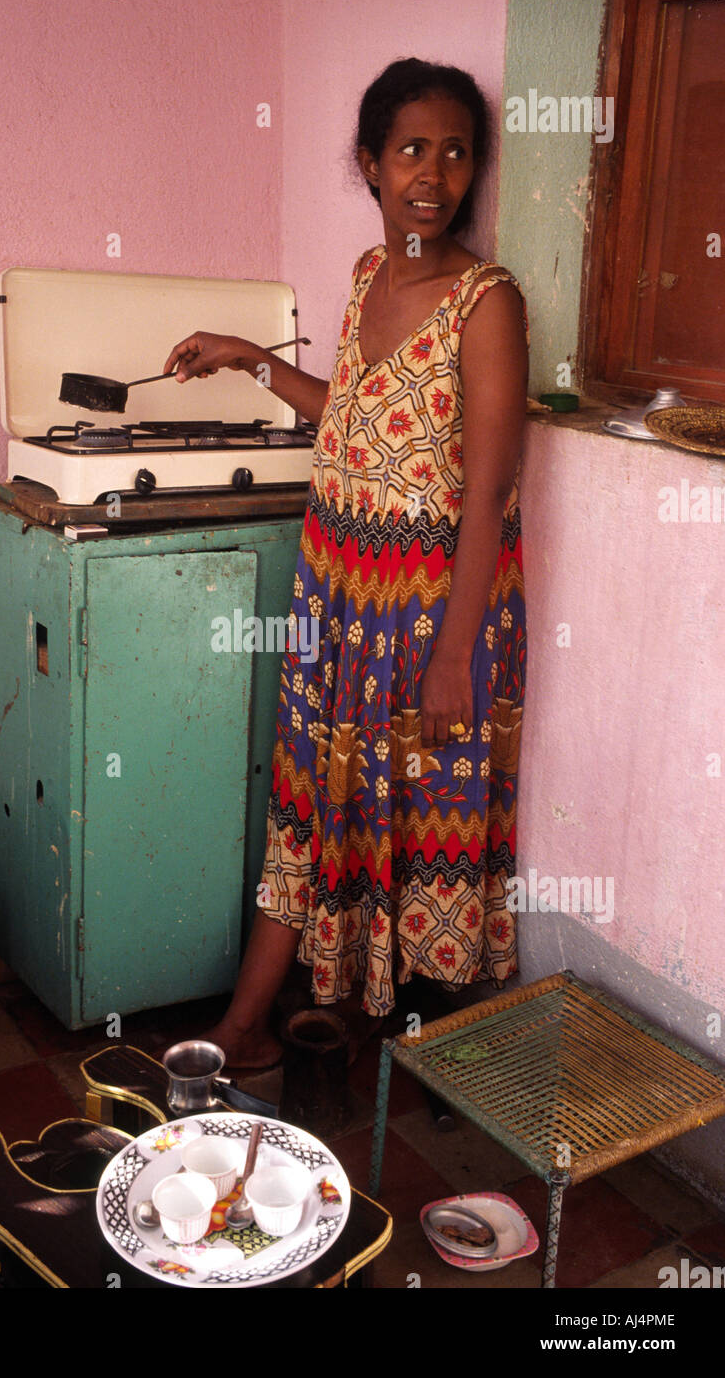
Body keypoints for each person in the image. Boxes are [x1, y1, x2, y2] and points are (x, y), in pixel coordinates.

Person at [164, 59, 529, 1069]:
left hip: (427, 617)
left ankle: (388, 1037)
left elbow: (490, 493)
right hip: (337, 592)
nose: (434, 173)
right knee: (318, 798)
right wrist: (252, 358)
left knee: (403, 815)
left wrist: (454, 655)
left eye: (457, 151)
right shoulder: (371, 278)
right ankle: (260, 1018)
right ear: (369, 163)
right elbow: (359, 420)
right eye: (412, 148)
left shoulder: (485, 303)